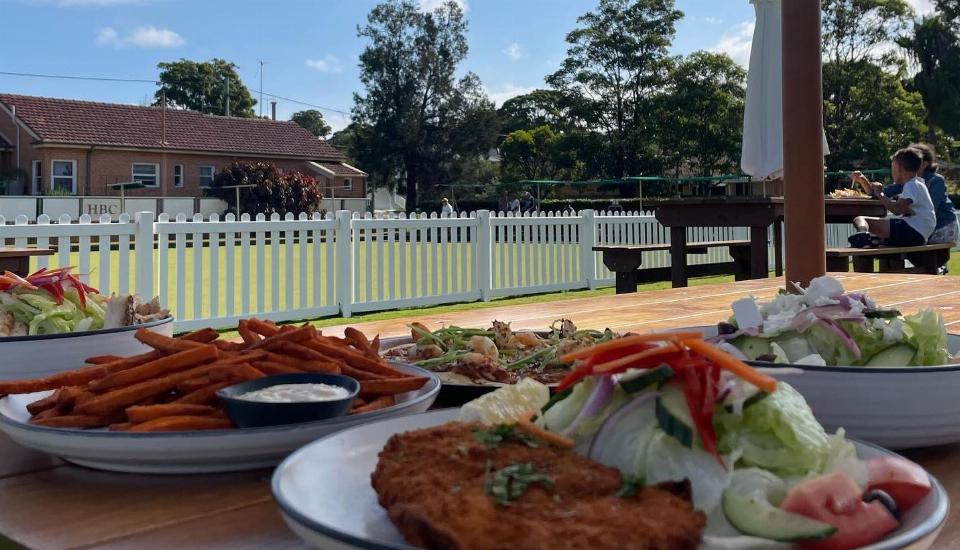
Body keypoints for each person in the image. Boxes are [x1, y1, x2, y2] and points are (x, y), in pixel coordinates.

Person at [849, 147, 936, 248]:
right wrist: (874, 190)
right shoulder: (918, 184)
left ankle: (863, 235)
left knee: (860, 219)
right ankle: (874, 240)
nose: (892, 172)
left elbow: (897, 209)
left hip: (912, 229)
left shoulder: (912, 185)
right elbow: (903, 209)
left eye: (893, 168)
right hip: (919, 232)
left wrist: (880, 193)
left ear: (900, 168)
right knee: (884, 247)